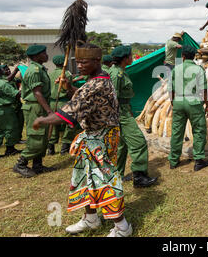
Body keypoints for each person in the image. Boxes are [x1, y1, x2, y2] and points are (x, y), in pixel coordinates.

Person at [32, 43, 132, 237]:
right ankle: (91, 219)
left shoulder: (97, 84)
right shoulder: (97, 79)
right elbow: (82, 97)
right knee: (84, 176)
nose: (79, 65)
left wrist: (43, 119)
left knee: (104, 179)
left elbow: (69, 112)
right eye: (77, 61)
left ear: (97, 61)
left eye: (84, 62)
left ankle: (123, 227)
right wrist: (69, 87)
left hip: (101, 138)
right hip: (92, 137)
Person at [109, 45, 158, 187]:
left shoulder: (121, 72)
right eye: (130, 56)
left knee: (122, 146)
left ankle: (116, 175)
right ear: (124, 59)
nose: (132, 57)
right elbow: (113, 97)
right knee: (138, 142)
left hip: (123, 111)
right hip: (120, 113)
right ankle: (139, 177)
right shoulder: (116, 74)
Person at [13, 45, 55, 178]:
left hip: (40, 105)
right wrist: (49, 111)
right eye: (44, 53)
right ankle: (20, 164)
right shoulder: (34, 70)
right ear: (36, 56)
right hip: (35, 107)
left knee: (43, 137)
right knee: (36, 137)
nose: (47, 55)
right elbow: (37, 92)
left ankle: (37, 165)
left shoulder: (40, 69)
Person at [169, 45, 208, 171]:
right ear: (194, 56)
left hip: (178, 102)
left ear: (183, 56)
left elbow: (171, 89)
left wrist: (173, 102)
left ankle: (173, 161)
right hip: (194, 102)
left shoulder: (176, 69)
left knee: (177, 131)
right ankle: (198, 160)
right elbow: (203, 89)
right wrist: (206, 104)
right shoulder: (198, 69)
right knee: (199, 130)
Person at [47, 55, 77, 156]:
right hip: (64, 101)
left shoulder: (50, 74)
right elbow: (68, 89)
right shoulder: (66, 74)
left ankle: (51, 148)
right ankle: (65, 147)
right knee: (69, 124)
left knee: (54, 124)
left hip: (52, 102)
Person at [1, 65, 25, 144]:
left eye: (8, 69)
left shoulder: (13, 78)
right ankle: (10, 140)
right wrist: (15, 71)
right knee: (12, 124)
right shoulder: (2, 79)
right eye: (5, 70)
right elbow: (8, 80)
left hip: (18, 104)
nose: (8, 70)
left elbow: (20, 80)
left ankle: (18, 138)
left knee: (20, 122)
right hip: (10, 105)